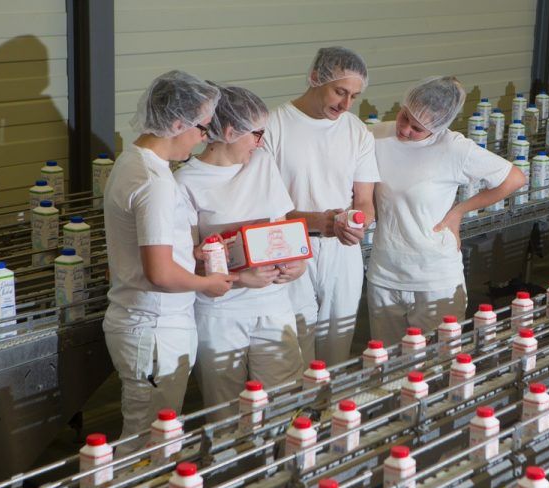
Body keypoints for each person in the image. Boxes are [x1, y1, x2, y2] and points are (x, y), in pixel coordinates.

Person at [103, 70, 236, 453]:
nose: (203, 138)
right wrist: (207, 284)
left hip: (144, 323)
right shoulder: (154, 181)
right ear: (177, 123)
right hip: (154, 327)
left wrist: (187, 254)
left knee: (150, 435)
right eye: (202, 128)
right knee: (147, 444)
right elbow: (159, 272)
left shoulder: (135, 160)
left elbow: (152, 247)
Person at [175, 84, 306, 420]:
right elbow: (185, 259)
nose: (260, 142)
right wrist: (239, 277)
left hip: (273, 304)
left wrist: (297, 264)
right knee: (226, 411)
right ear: (231, 132)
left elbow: (281, 228)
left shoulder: (262, 164)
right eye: (256, 134)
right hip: (221, 312)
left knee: (284, 402)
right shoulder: (187, 182)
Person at [367, 76, 526, 344]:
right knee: (385, 366)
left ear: (439, 127)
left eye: (417, 128)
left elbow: (514, 178)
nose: (405, 129)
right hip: (385, 273)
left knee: (437, 367)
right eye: (404, 116)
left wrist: (459, 211)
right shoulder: (376, 135)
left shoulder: (453, 148)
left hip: (434, 277)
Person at [264, 47, 380, 365]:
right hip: (288, 247)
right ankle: (295, 414)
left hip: (342, 249)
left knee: (336, 345)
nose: (345, 105)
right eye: (339, 91)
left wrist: (359, 222)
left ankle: (329, 412)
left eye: (353, 96)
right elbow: (264, 207)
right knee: (292, 347)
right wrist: (322, 220)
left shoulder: (356, 131)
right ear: (315, 78)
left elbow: (365, 201)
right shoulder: (274, 126)